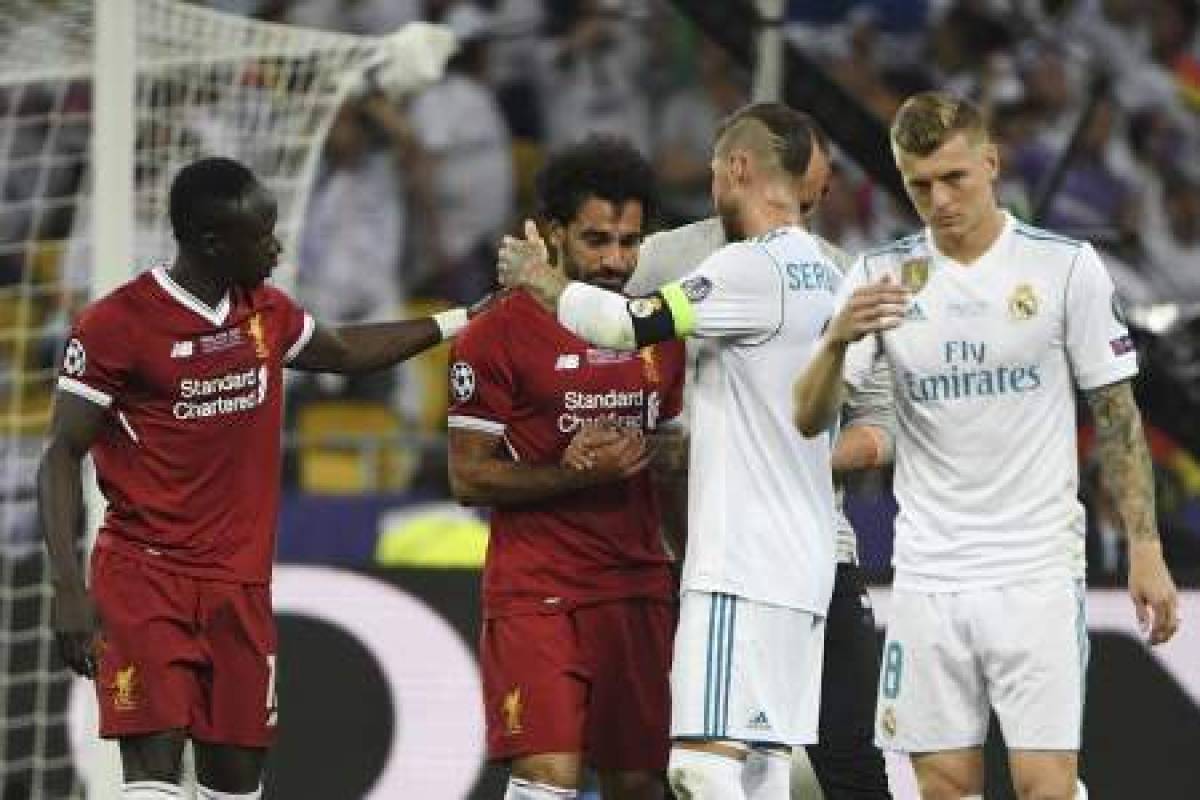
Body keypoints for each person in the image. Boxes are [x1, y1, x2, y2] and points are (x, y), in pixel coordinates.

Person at [37, 156, 477, 800]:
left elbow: (349, 352)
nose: (276, 245)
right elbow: (58, 454)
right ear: (214, 243)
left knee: (236, 783)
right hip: (145, 577)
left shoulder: (265, 312)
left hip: (239, 586)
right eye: (263, 235)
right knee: (153, 769)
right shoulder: (116, 325)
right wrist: (68, 589)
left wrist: (463, 319)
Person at [793, 91, 1180, 800]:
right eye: (919, 185)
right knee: (944, 788)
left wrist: (1146, 548)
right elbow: (808, 419)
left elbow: (1117, 414)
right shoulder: (881, 277)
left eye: (954, 178)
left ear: (991, 164)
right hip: (928, 574)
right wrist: (835, 341)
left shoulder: (1064, 269)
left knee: (1045, 787)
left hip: (1035, 568)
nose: (938, 199)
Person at [499, 102, 841, 800]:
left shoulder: (748, 268)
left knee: (699, 766)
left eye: (717, 169)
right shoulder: (829, 272)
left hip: (739, 559)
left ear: (740, 167)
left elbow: (629, 322)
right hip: (803, 557)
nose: (713, 183)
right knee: (762, 765)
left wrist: (541, 280)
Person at [447, 136, 686, 800]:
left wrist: (686, 565)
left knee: (640, 783)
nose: (616, 260)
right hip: (538, 590)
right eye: (596, 240)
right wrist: (578, 474)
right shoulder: (493, 336)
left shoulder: (656, 335)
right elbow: (468, 477)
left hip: (637, 586)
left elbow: (667, 468)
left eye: (629, 242)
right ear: (552, 234)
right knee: (546, 776)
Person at [632, 214, 894, 799]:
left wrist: (780, 460)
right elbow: (620, 352)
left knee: (718, 765)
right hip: (733, 541)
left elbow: (881, 428)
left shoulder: (841, 273)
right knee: (762, 763)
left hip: (773, 552)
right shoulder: (663, 256)